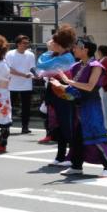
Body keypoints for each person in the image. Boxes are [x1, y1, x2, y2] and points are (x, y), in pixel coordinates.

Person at [50, 37, 107, 178]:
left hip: (91, 106)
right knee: (77, 137)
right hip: (78, 106)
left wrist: (69, 82)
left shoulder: (96, 66)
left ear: (85, 49)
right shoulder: (76, 67)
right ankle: (76, 166)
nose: (74, 49)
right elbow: (75, 90)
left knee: (96, 135)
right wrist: (61, 86)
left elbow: (90, 86)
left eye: (76, 47)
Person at [38, 26, 76, 161]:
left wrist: (48, 50)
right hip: (55, 92)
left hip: (63, 93)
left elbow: (42, 64)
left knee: (66, 124)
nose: (51, 43)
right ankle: (60, 155)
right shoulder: (58, 55)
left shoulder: (66, 57)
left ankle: (72, 156)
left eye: (53, 41)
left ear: (60, 45)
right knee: (57, 124)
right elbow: (43, 68)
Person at [6, 35, 36, 135]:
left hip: (26, 84)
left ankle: (25, 127)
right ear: (18, 44)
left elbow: (32, 68)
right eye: (24, 43)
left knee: (26, 107)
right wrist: (23, 75)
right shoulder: (10, 54)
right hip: (12, 85)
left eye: (27, 43)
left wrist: (36, 75)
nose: (26, 45)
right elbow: (9, 69)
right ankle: (6, 127)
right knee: (9, 106)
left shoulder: (30, 54)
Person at [96, 45, 107, 128]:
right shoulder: (103, 60)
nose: (97, 53)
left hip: (103, 85)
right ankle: (106, 124)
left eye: (98, 51)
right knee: (105, 105)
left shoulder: (105, 61)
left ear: (101, 52)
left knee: (103, 105)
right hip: (104, 85)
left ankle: (105, 124)